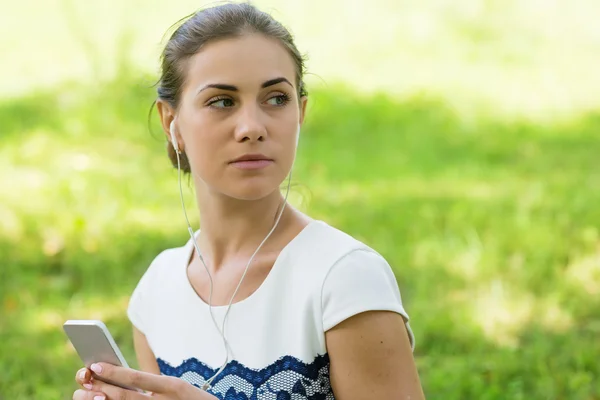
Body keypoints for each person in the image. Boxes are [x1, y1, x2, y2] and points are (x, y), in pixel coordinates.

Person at [73, 2, 424, 399]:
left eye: (276, 98)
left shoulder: (343, 279)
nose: (253, 128)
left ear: (301, 112)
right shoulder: (157, 291)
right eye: (222, 102)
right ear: (172, 123)